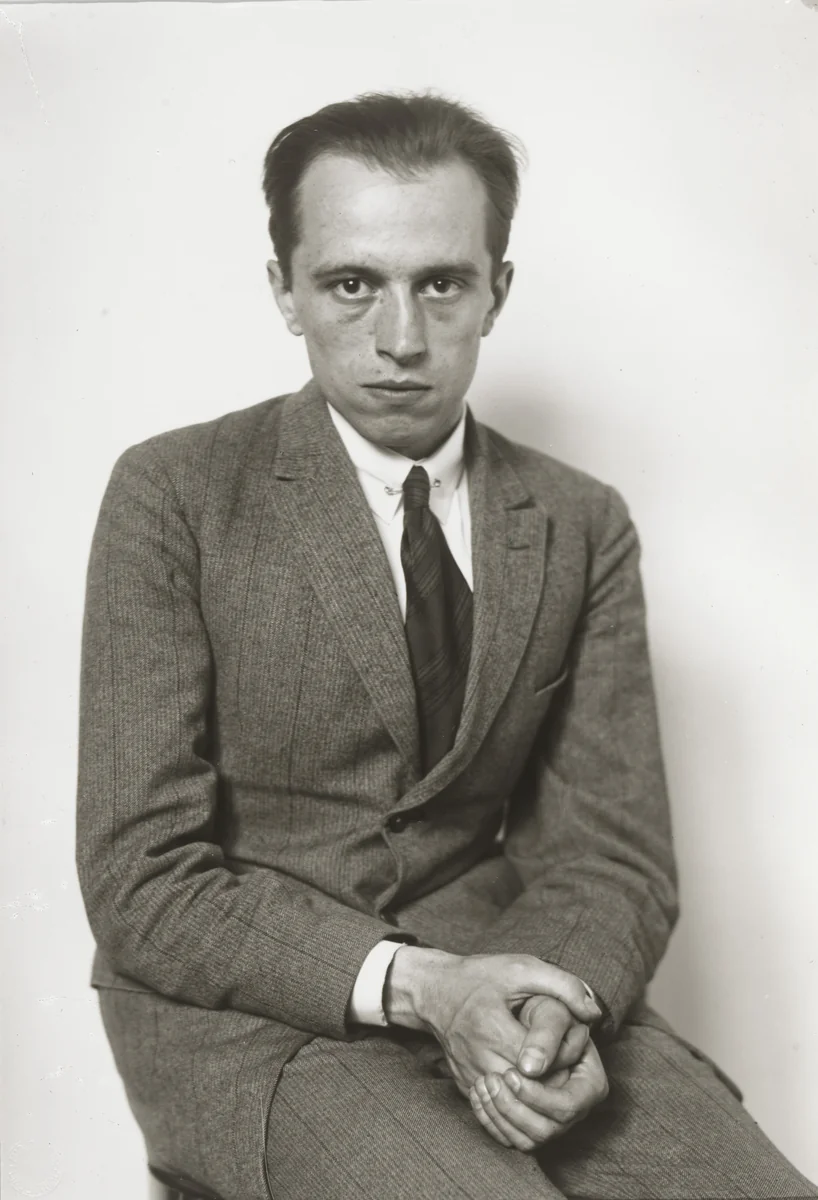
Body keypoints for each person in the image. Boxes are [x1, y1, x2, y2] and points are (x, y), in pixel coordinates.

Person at [76, 92, 817, 1200]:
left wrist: (546, 999)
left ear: (495, 291)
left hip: (511, 978)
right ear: (283, 289)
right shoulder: (174, 495)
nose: (400, 339)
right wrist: (425, 989)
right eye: (350, 284)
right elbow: (142, 879)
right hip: (251, 1020)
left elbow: (609, 851)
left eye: (441, 283)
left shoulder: (578, 519)